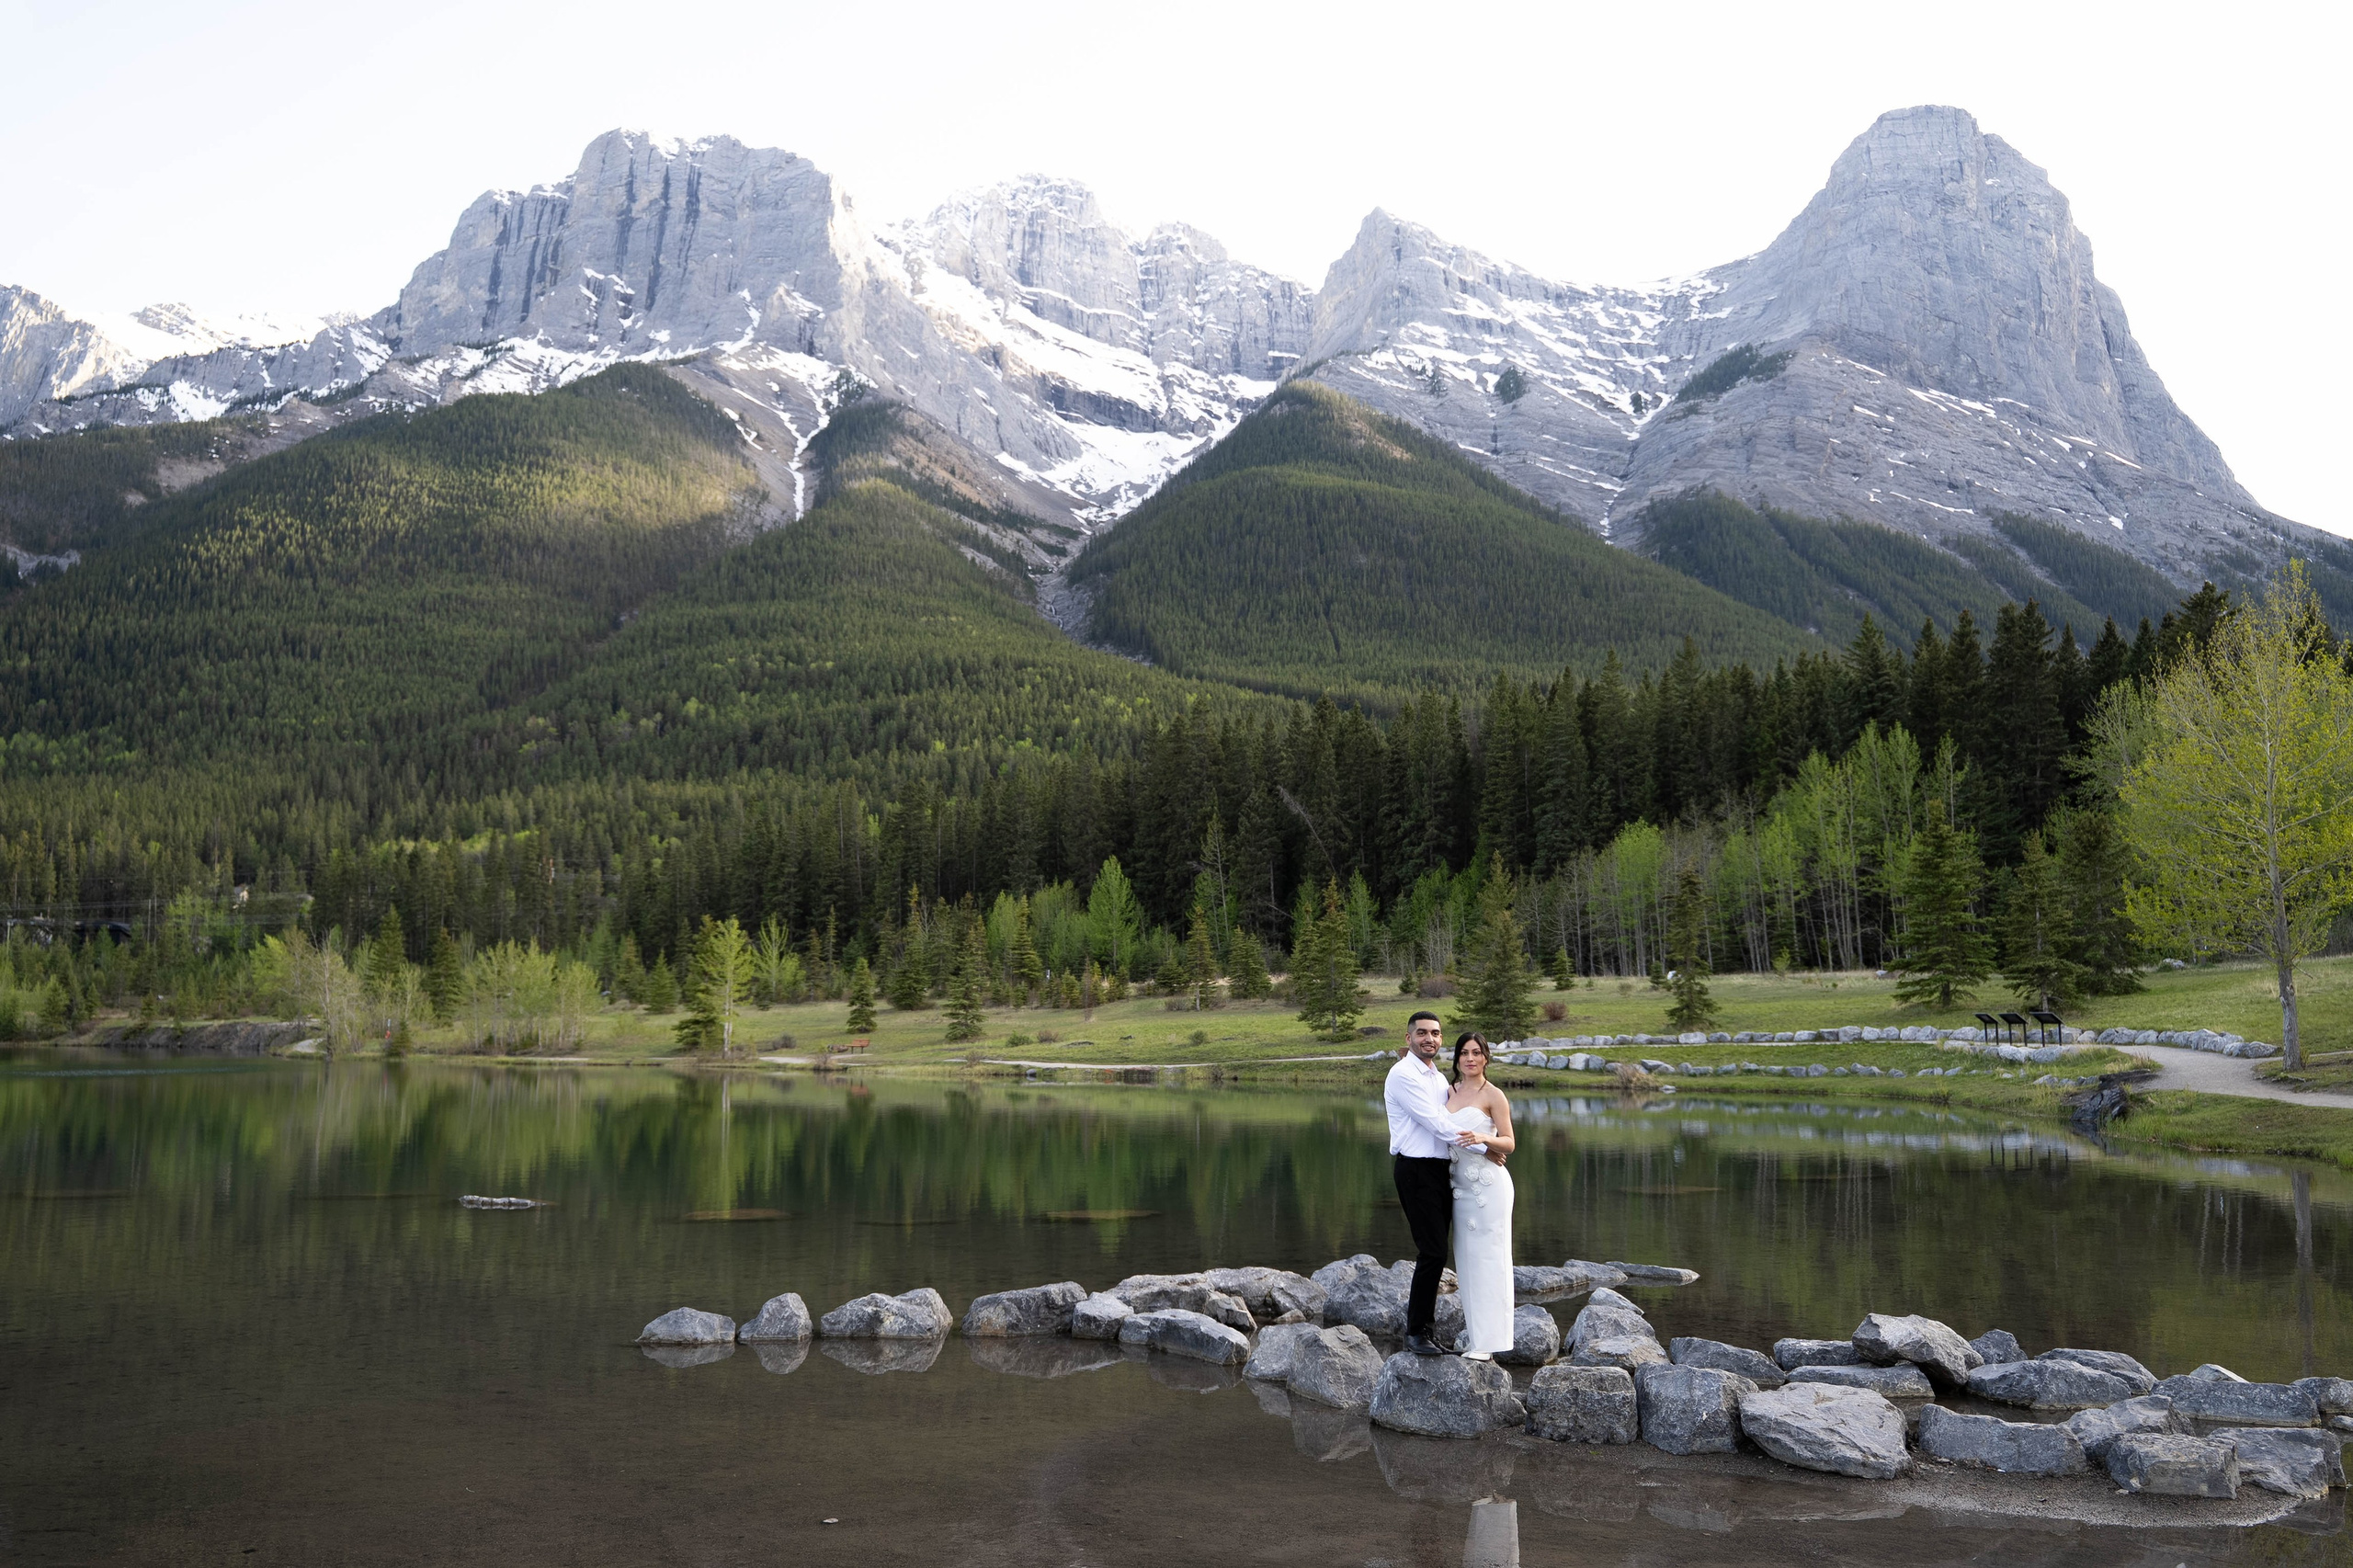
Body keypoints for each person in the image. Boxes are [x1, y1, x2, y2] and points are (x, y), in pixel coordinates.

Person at [1385, 1009, 1478, 1355]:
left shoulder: (1437, 1078)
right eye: (1422, 1033)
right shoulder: (1402, 1075)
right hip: (1415, 1170)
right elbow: (1436, 1123)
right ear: (1408, 1038)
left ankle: (1427, 1331)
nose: (1430, 1039)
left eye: (1436, 1034)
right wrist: (1488, 1145)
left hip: (1440, 1171)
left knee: (1437, 1253)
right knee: (1433, 1250)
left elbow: (1451, 1117)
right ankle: (1415, 1333)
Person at [1444, 1033, 1517, 1359]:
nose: (1469, 1058)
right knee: (1468, 1260)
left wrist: (1484, 1140)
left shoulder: (1494, 1095)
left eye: (1476, 1053)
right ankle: (1477, 1339)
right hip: (1459, 1190)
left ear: (1486, 1057)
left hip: (1489, 1186)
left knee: (1491, 1258)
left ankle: (1491, 1343)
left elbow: (1509, 1143)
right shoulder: (1449, 1092)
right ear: (1457, 1059)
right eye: (1463, 1053)